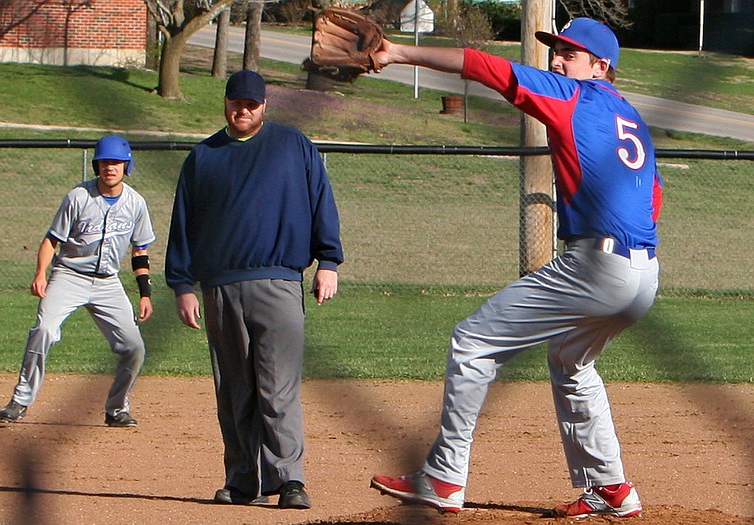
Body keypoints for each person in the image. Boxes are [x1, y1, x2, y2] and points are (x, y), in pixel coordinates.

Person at [369, 18, 662, 518]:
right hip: (645, 274)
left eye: (570, 53)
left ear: (600, 66)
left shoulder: (576, 95)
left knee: (473, 339)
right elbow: (654, 197)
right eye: (556, 50)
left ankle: (443, 477)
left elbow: (484, 67)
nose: (557, 60)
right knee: (572, 363)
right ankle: (610, 487)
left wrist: (398, 53)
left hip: (595, 266)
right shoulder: (630, 118)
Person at [165, 69, 344, 510]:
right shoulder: (203, 156)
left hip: (279, 281)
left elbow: (321, 199)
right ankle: (243, 478)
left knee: (277, 387)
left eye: (251, 103)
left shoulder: (291, 145)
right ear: (224, 103)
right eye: (234, 102)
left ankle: (289, 480)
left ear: (264, 105)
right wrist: (182, 284)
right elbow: (182, 224)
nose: (242, 110)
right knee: (234, 389)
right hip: (220, 287)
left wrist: (329, 261)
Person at [0, 135, 155, 428]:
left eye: (117, 162)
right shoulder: (78, 197)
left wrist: (144, 294)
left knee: (135, 348)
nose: (111, 167)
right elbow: (51, 240)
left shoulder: (136, 203)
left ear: (127, 165)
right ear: (97, 165)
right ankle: (20, 400)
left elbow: (141, 251)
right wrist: (40, 274)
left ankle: (116, 408)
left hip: (108, 282)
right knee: (43, 330)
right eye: (105, 162)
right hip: (69, 275)